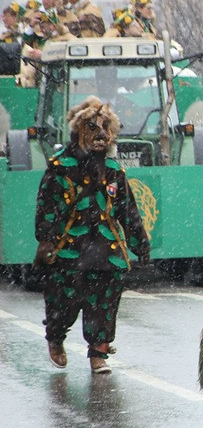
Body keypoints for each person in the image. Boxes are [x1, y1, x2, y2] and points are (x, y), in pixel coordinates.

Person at [34, 97, 150, 373]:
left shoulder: (113, 171)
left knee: (104, 303)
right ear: (78, 131)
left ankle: (98, 353)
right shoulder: (60, 168)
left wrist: (140, 244)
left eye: (105, 128)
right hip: (69, 248)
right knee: (64, 301)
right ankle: (56, 337)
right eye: (92, 128)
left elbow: (127, 211)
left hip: (106, 250)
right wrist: (46, 240)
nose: (101, 135)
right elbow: (46, 207)